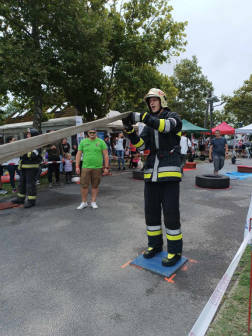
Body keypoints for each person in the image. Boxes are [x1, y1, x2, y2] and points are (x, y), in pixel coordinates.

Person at [122, 88, 183, 267]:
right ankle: (154, 246)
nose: (151, 103)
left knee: (171, 214)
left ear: (162, 100)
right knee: (151, 213)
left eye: (154, 100)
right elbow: (141, 146)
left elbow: (165, 126)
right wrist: (129, 131)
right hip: (151, 174)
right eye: (149, 102)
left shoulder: (173, 117)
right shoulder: (149, 125)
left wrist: (141, 116)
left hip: (169, 174)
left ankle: (175, 251)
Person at [75, 129, 109, 210]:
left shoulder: (101, 142)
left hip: (97, 167)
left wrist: (106, 167)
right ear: (88, 133)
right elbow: (78, 155)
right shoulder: (83, 142)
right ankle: (84, 202)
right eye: (90, 132)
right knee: (84, 185)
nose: (92, 134)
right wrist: (77, 166)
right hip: (85, 167)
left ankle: (93, 202)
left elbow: (106, 155)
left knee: (95, 185)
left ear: (96, 133)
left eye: (94, 132)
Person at [11, 128, 42, 208]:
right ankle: (20, 199)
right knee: (21, 184)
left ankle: (31, 201)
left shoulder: (37, 144)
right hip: (24, 167)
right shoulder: (26, 144)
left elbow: (33, 155)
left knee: (30, 185)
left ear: (33, 135)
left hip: (32, 168)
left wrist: (24, 153)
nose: (27, 135)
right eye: (27, 134)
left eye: (29, 134)